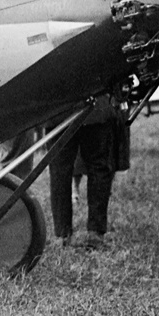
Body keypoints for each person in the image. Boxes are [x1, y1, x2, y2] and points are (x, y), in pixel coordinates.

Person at [49, 93, 121, 249]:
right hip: (92, 105)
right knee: (96, 167)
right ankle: (90, 234)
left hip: (62, 108)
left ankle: (66, 234)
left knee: (61, 171)